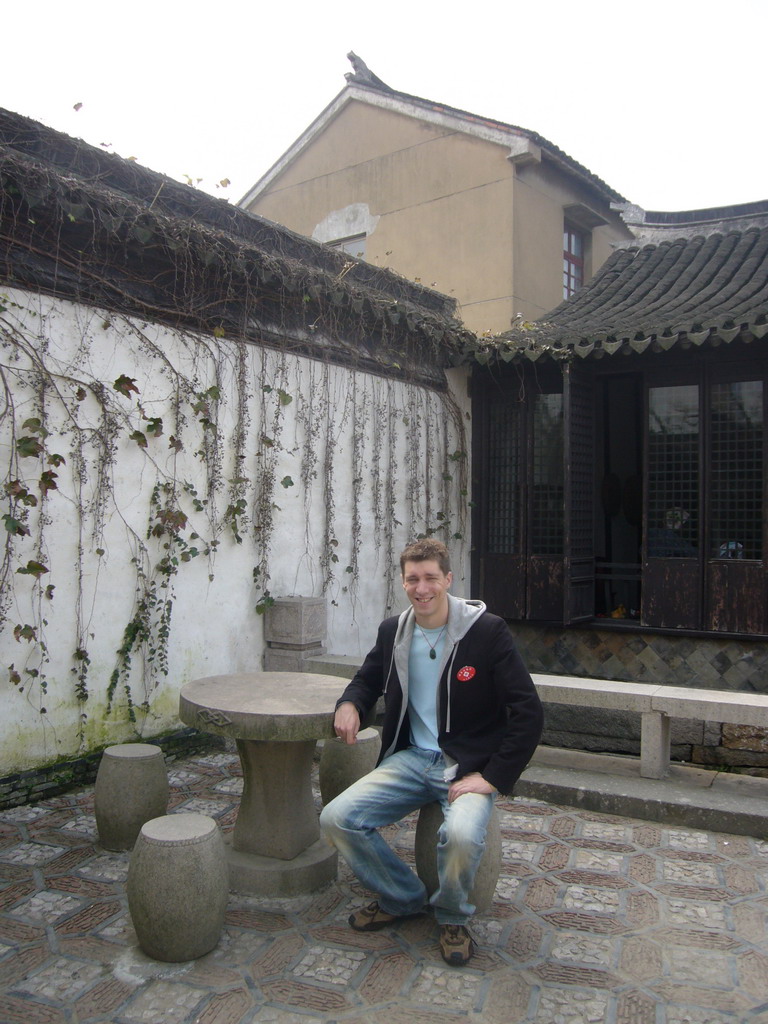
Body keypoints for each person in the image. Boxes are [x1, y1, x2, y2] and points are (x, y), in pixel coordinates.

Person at [319, 538, 543, 967]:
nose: (421, 589)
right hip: (411, 759)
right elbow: (366, 680)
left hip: (467, 765)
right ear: (404, 581)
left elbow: (528, 711)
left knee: (459, 835)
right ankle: (402, 897)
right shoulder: (394, 631)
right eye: (412, 579)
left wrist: (495, 776)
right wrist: (349, 704)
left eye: (430, 579)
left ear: (448, 580)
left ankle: (452, 915)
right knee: (336, 818)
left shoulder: (487, 631)